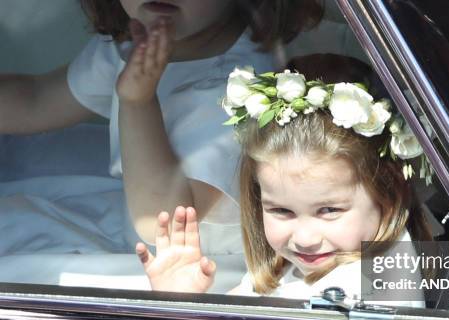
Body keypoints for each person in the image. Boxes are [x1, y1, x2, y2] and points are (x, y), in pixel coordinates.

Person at [0, 0, 323, 248]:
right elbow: (37, 100)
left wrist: (137, 102)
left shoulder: (244, 85)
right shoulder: (134, 42)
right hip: (135, 234)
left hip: (204, 269)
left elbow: (165, 224)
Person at [137, 60, 432, 303]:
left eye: (329, 210)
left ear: (388, 191)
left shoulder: (363, 288)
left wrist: (184, 307)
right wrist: (182, 300)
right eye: (281, 211)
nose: (304, 238)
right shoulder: (300, 265)